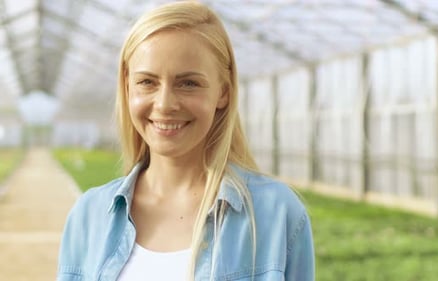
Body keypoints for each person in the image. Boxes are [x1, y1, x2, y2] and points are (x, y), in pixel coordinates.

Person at [56, 1, 314, 280]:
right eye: (147, 82)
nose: (165, 104)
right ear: (128, 88)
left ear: (223, 92)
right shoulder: (88, 215)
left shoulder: (275, 214)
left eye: (188, 83)